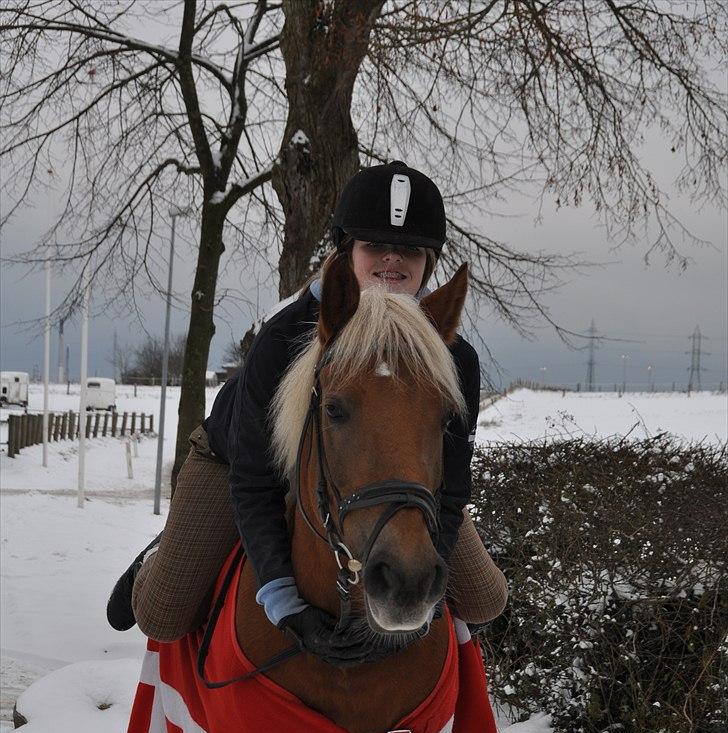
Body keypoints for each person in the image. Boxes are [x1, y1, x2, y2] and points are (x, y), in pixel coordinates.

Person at [107, 161, 507, 662]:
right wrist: (284, 603)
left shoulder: (455, 357)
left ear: (429, 262)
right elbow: (255, 480)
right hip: (242, 461)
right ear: (347, 250)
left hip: (388, 482)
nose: (392, 259)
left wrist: (422, 592)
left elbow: (452, 486)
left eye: (410, 250)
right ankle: (158, 552)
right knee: (162, 615)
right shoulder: (284, 335)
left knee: (486, 599)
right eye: (374, 245)